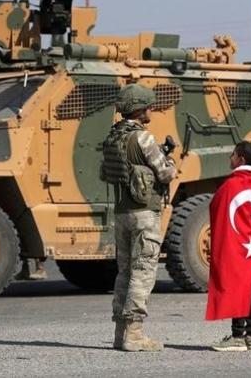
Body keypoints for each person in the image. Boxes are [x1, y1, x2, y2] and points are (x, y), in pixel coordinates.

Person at [100, 84, 177, 352]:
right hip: (144, 213)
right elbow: (165, 174)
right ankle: (134, 336)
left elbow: (106, 173)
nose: (152, 110)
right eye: (149, 106)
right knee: (143, 272)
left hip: (122, 212)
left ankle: (120, 333)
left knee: (125, 272)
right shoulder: (143, 138)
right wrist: (171, 162)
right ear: (140, 109)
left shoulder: (113, 137)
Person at [206, 141, 251, 352]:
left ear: (241, 159)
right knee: (249, 289)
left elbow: (217, 207)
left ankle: (238, 337)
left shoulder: (232, 185)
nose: (230, 158)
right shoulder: (250, 183)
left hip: (236, 246)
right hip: (249, 245)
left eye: (233, 155)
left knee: (238, 288)